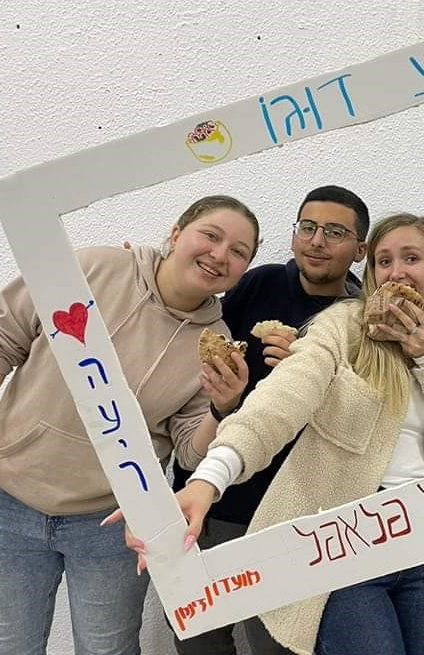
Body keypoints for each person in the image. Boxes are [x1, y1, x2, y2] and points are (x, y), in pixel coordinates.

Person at [133, 213, 424, 655]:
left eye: (411, 258)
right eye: (384, 261)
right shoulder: (341, 327)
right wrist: (209, 478)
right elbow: (281, 400)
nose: (396, 272)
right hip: (345, 548)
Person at [0, 195, 259, 655]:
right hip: (10, 500)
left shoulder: (216, 345)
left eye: (239, 251)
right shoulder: (95, 267)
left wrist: (221, 408)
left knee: (108, 650)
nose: (220, 254)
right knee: (10, 647)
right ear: (176, 234)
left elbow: (190, 451)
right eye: (210, 235)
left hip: (113, 521)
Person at [170, 185, 369, 655]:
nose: (316, 241)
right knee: (198, 643)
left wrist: (313, 371)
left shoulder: (360, 319)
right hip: (212, 501)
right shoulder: (258, 284)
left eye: (335, 232)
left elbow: (363, 421)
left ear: (360, 250)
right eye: (308, 227)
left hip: (292, 516)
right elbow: (196, 329)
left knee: (279, 646)